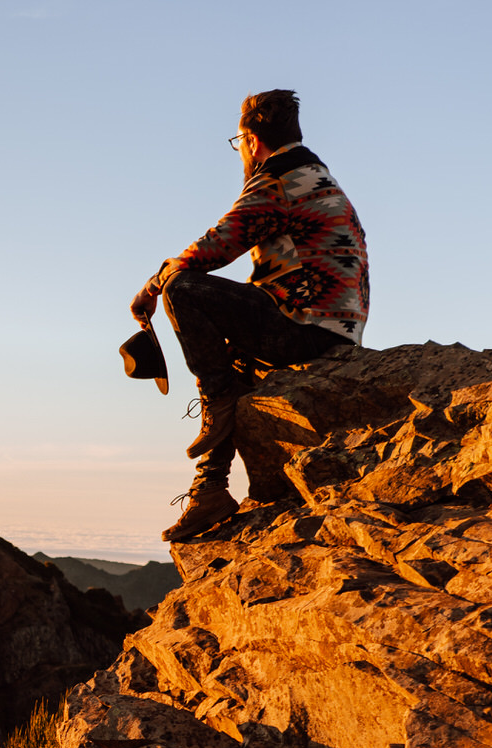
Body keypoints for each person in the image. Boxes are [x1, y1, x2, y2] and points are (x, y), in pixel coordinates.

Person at [130, 89, 369, 542]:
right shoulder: (314, 175)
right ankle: (211, 490)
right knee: (230, 353)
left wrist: (150, 286)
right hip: (326, 324)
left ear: (250, 140)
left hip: (307, 327)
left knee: (183, 289)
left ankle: (216, 409)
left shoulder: (281, 178)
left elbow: (216, 245)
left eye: (237, 143)